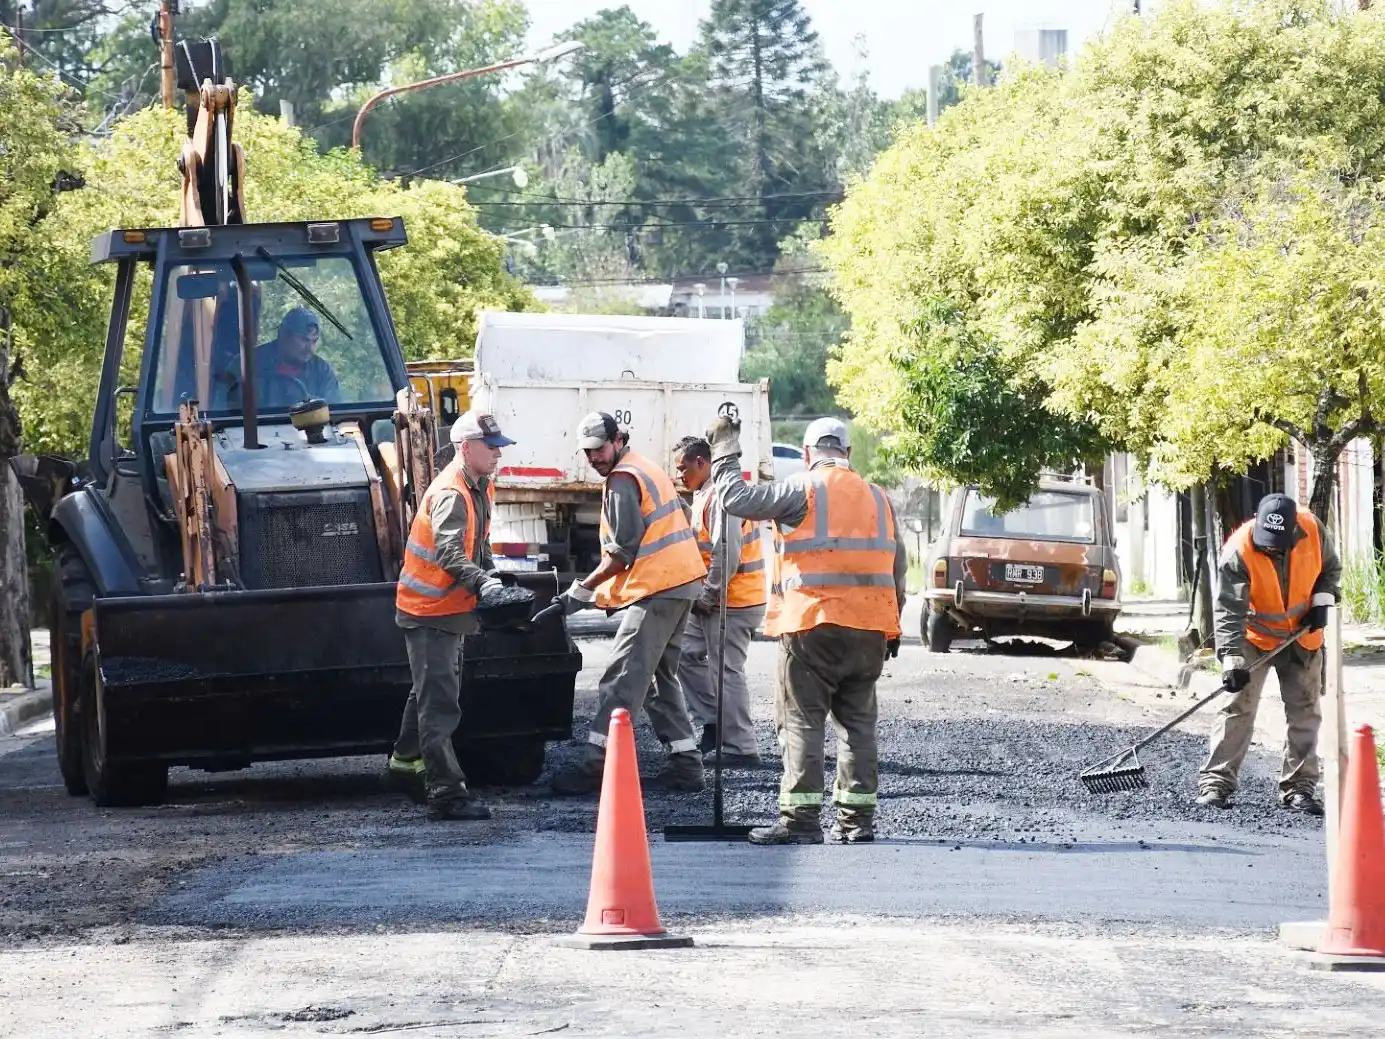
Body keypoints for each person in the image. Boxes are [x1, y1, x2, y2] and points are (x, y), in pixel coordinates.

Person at [705, 414, 907, 845]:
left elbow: (736, 499)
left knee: (801, 721)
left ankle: (801, 822)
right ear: (848, 454)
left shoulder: (802, 489)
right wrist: (892, 628)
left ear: (807, 454)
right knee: (858, 726)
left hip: (812, 626)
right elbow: (897, 568)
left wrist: (724, 450)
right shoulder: (879, 498)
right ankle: (857, 822)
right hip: (871, 630)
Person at [550, 411, 709, 796]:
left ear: (618, 440)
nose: (594, 458)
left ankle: (597, 766)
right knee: (658, 678)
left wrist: (580, 592)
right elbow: (681, 516)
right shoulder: (644, 468)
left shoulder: (624, 479)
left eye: (599, 449)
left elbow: (622, 552)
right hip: (680, 583)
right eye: (587, 452)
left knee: (622, 676)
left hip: (660, 588)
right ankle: (686, 764)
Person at [387, 411, 514, 821]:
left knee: (429, 693)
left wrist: (491, 574)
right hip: (431, 613)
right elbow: (449, 553)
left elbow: (480, 543)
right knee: (440, 704)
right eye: (491, 447)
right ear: (466, 448)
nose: (498, 454)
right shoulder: (451, 493)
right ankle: (446, 793)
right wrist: (484, 583)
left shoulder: (479, 487)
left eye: (499, 447)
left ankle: (405, 763)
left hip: (447, 612)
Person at [1198, 492, 1340, 815]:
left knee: (1305, 712)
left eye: (1278, 542)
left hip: (1302, 636)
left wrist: (1323, 600)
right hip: (1255, 636)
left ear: (1293, 531)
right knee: (1237, 705)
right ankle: (1216, 783)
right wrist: (1232, 657)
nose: (1271, 547)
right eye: (1266, 541)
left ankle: (1299, 787)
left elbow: (1331, 570)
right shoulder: (1239, 549)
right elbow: (1227, 608)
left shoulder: (1314, 531)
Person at [672, 434, 767, 769]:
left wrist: (710, 593)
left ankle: (741, 747)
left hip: (733, 599)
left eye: (683, 468)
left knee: (726, 669)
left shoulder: (721, 497)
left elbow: (726, 551)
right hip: (718, 597)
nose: (680, 475)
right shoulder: (704, 494)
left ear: (703, 462)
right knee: (684, 651)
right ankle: (715, 722)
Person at [248, 307, 341, 408]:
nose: (310, 348)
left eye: (314, 341)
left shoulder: (322, 371)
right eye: (304, 340)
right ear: (283, 335)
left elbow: (333, 412)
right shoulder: (247, 364)